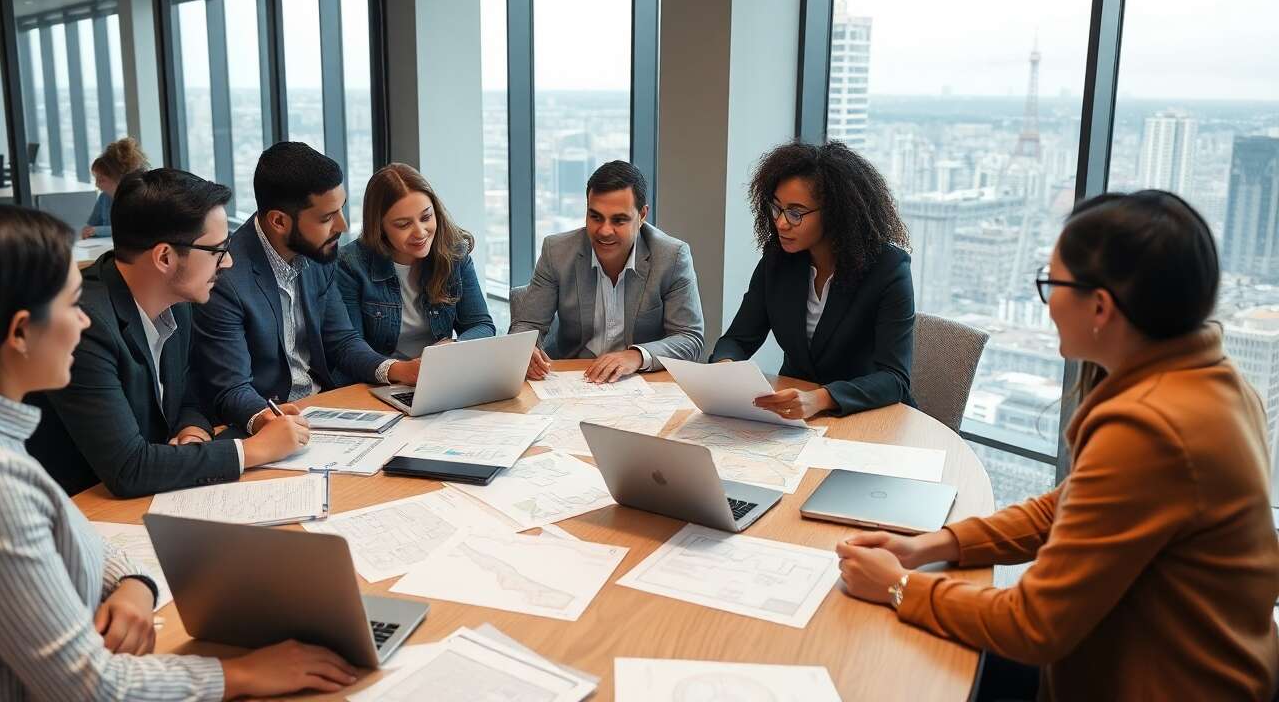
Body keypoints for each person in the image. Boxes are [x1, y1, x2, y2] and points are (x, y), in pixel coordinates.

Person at [836, 190, 1279, 701]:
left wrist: (898, 586)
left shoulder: (1151, 428)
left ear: (1100, 307)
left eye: (1051, 283)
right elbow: (1069, 505)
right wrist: (931, 545)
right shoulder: (1213, 382)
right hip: (1179, 658)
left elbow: (1033, 624)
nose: (1046, 306)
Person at [0, 201, 360, 700]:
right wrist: (243, 674)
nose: (84, 322)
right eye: (72, 305)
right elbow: (94, 688)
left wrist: (134, 580)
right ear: (21, 332)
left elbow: (78, 535)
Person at [26, 169, 310, 498]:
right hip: (80, 505)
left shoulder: (176, 301)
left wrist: (192, 431)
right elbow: (128, 469)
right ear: (165, 257)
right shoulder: (85, 326)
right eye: (218, 251)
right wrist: (254, 450)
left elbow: (188, 397)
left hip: (152, 495)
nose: (228, 262)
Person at [193, 142, 391, 435]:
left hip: (322, 408)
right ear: (279, 221)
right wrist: (269, 421)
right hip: (268, 421)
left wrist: (396, 369)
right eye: (326, 218)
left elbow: (342, 341)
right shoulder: (224, 276)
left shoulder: (318, 253)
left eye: (341, 209)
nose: (342, 225)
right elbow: (232, 388)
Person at [711, 140, 914, 420]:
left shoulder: (888, 268)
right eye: (777, 208)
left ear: (836, 214)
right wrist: (725, 366)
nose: (781, 223)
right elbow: (738, 338)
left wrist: (819, 399)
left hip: (867, 416)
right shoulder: (778, 260)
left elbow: (894, 379)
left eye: (796, 213)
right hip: (795, 418)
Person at [508, 160, 704, 383]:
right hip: (573, 379)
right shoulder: (557, 252)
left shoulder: (671, 257)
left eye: (619, 220)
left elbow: (690, 338)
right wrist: (526, 350)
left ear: (642, 215)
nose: (604, 231)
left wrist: (637, 356)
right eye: (595, 217)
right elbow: (528, 324)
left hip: (642, 382)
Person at [336, 163, 495, 385]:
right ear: (380, 227)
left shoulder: (454, 253)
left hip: (440, 378)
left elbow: (482, 326)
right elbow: (349, 348)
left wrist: (452, 348)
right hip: (378, 385)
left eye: (426, 217)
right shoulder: (350, 264)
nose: (420, 232)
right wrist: (400, 371)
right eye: (403, 225)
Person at [82, 136, 149, 239]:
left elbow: (130, 228)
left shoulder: (141, 199)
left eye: (102, 180)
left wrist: (97, 231)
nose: (97, 184)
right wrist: (87, 230)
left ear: (120, 179)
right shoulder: (104, 198)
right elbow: (91, 224)